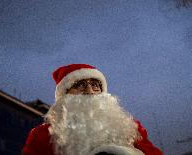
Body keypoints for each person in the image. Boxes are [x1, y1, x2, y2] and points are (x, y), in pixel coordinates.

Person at [22, 64, 163, 155]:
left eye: (95, 85)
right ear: (65, 96)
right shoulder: (42, 135)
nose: (90, 91)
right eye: (80, 85)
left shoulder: (129, 127)